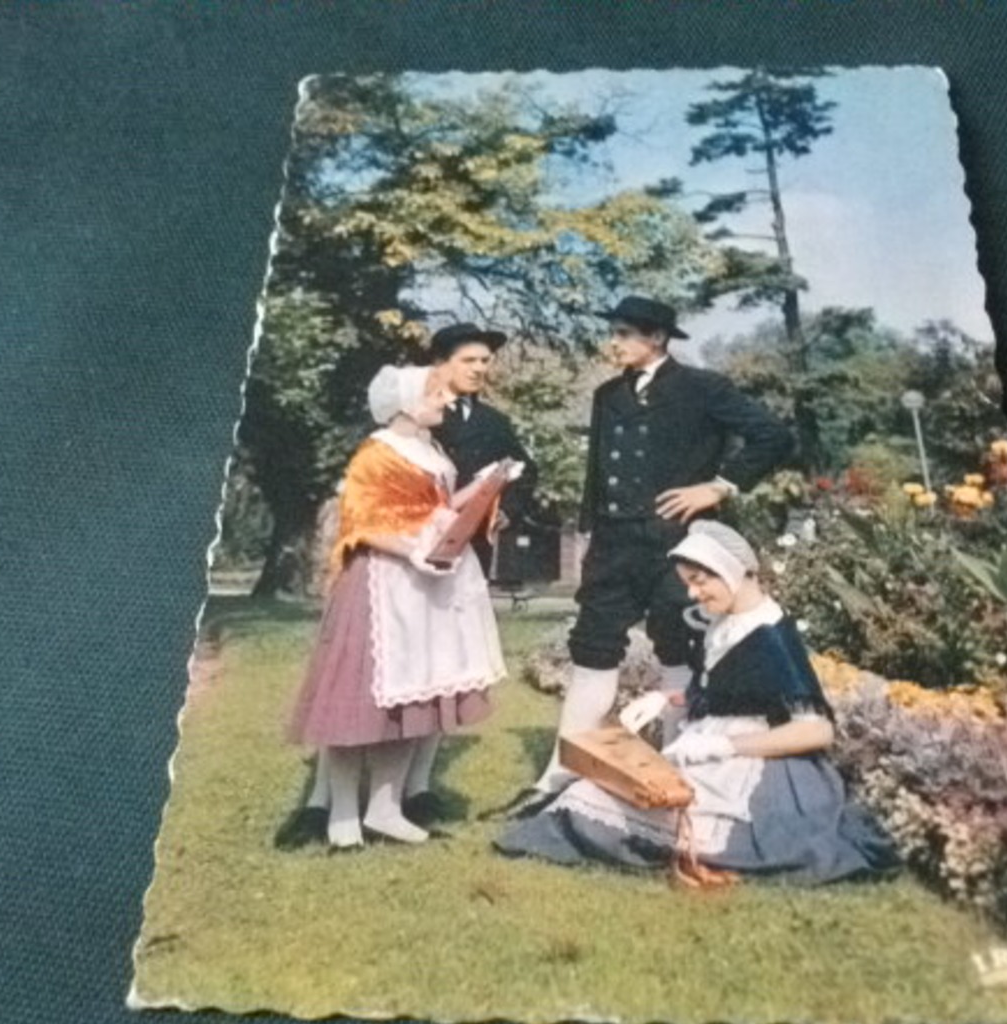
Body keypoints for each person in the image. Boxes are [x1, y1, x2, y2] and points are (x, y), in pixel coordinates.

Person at [500, 295, 795, 816]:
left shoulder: (702, 388)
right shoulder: (606, 395)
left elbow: (773, 435)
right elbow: (598, 470)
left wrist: (718, 487)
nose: (612, 342)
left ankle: (680, 775)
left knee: (677, 650)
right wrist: (592, 529)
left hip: (678, 549)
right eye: (612, 331)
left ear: (656, 338)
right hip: (613, 548)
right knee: (592, 650)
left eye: (622, 333)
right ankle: (560, 775)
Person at [495, 520, 898, 884]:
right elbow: (730, 688)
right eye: (688, 581)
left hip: (759, 767)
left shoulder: (770, 635)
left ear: (736, 573)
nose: (692, 592)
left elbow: (816, 729)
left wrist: (724, 745)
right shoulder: (725, 621)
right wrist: (665, 698)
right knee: (589, 795)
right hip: (710, 745)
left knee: (596, 805)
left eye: (701, 580)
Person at [285, 364, 511, 849]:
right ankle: (342, 817)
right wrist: (411, 549)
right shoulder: (376, 453)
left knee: (416, 698)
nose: (446, 402)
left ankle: (385, 810)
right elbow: (359, 522)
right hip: (382, 583)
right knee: (357, 701)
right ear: (407, 403)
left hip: (428, 585)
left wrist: (485, 490)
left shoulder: (432, 450)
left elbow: (438, 510)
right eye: (435, 393)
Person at [428, 322, 539, 574]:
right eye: (468, 360)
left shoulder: (494, 422)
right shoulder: (417, 412)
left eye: (484, 361)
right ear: (440, 363)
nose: (479, 369)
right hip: (417, 540)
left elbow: (525, 471)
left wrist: (506, 511)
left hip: (473, 545)